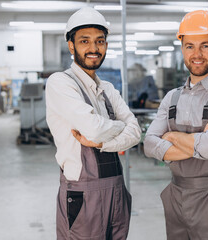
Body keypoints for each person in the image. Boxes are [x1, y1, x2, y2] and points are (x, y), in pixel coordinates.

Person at [144, 10, 208, 240]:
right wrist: (196, 142)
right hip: (176, 194)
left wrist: (171, 137)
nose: (197, 54)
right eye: (190, 46)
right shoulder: (171, 98)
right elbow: (149, 145)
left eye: (205, 46)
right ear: (182, 49)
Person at [45, 7, 141, 240]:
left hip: (116, 191)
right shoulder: (60, 83)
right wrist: (120, 127)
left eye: (100, 41)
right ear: (71, 45)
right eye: (84, 41)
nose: (93, 48)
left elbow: (136, 132)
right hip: (83, 196)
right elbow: (94, 129)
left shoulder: (107, 88)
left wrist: (102, 142)